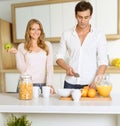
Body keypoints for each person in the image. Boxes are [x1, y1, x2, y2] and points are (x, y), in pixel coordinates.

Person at [56, 0, 108, 89]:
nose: (83, 21)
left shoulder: (98, 34)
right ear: (75, 15)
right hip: (70, 83)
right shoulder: (66, 34)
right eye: (80, 17)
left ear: (90, 16)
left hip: (90, 83)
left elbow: (103, 61)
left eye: (86, 17)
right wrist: (67, 67)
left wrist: (97, 80)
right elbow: (59, 57)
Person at [8, 18, 55, 94]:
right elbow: (22, 70)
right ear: (28, 31)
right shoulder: (21, 46)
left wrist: (49, 83)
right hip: (25, 84)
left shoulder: (47, 45)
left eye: (38, 29)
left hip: (42, 85)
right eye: (33, 29)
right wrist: (17, 54)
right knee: (23, 106)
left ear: (41, 31)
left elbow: (50, 67)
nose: (36, 32)